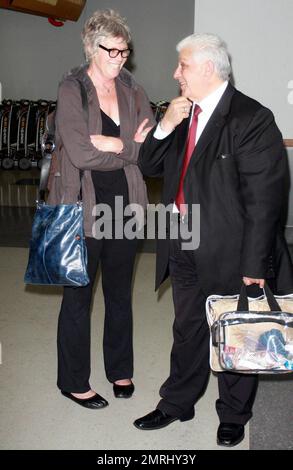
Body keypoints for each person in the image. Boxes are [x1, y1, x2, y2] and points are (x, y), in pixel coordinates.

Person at [134, 33, 293, 446]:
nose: (175, 73)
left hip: (232, 251)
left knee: (235, 328)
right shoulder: (181, 112)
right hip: (182, 239)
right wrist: (165, 124)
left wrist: (255, 267)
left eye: (181, 65)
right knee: (187, 326)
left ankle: (234, 415)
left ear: (206, 67)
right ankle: (177, 402)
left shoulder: (251, 118)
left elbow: (265, 202)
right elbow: (148, 164)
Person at [48, 9, 155, 409]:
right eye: (111, 50)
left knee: (119, 295)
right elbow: (78, 153)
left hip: (126, 207)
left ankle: (119, 370)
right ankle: (73, 380)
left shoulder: (133, 89)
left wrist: (114, 145)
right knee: (78, 297)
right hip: (81, 208)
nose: (119, 58)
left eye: (124, 51)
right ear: (91, 48)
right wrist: (127, 149)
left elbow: (148, 150)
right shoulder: (72, 88)